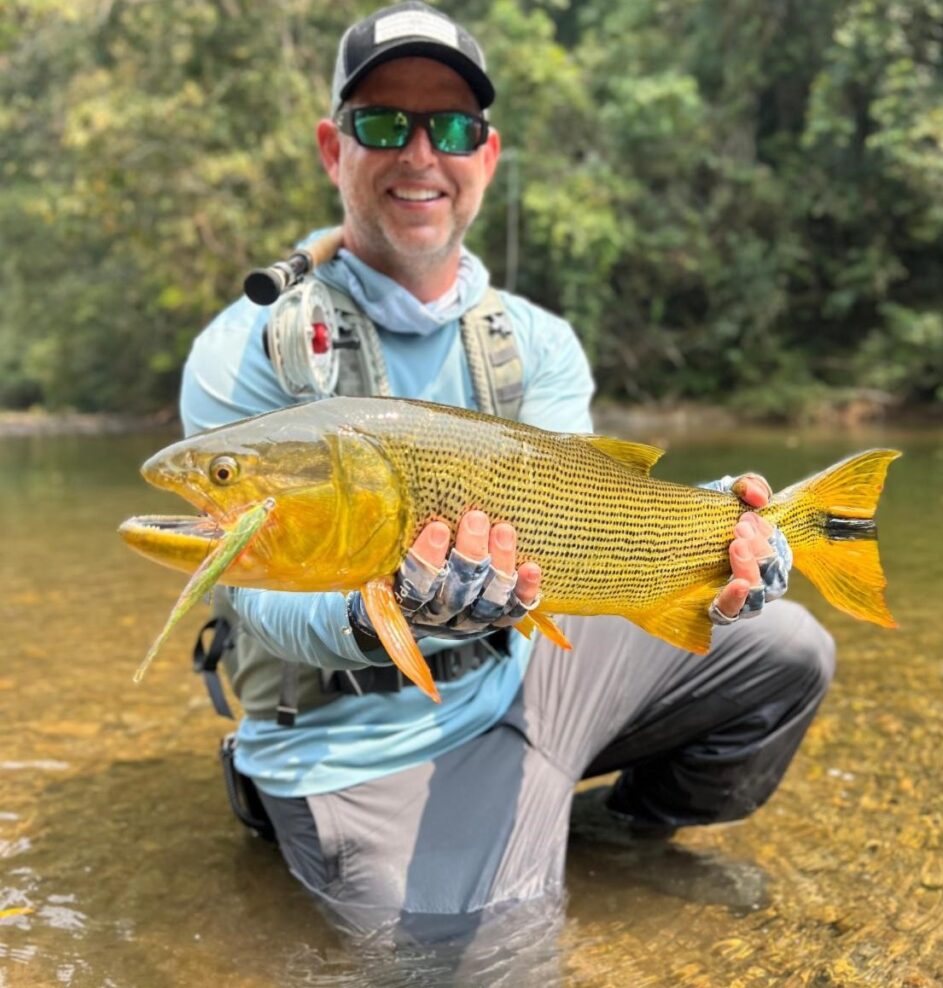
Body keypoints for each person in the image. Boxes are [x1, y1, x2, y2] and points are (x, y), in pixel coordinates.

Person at [180, 0, 835, 940]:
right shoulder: (248, 351)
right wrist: (384, 614)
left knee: (788, 650)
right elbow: (254, 599)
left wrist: (724, 536)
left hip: (525, 675)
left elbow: (584, 520)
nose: (418, 154)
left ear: (486, 154)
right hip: (356, 739)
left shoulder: (539, 343)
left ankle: (614, 838)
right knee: (478, 957)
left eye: (450, 126)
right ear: (333, 148)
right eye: (381, 123)